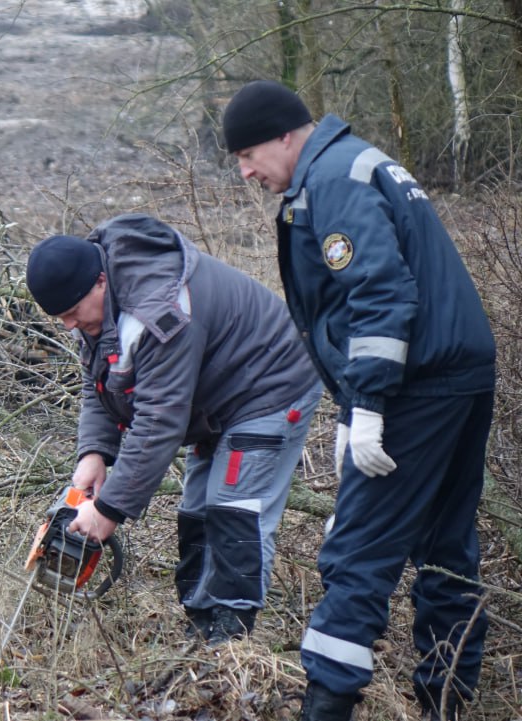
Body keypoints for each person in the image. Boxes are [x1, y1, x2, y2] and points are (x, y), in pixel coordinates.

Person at [221, 80, 496, 721]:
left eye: (247, 156)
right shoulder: (355, 162)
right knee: (447, 551)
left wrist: (369, 403)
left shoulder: (335, 180)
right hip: (458, 373)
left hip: (415, 387)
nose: (245, 172)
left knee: (357, 551)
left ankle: (326, 707)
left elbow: (377, 293)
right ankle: (445, 706)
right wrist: (351, 409)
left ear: (284, 137)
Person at [26, 214, 323, 645]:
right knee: (197, 511)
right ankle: (199, 623)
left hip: (270, 385)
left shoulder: (160, 310)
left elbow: (158, 421)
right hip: (213, 401)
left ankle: (230, 640)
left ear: (100, 282)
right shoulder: (96, 307)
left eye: (72, 314)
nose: (69, 325)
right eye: (61, 318)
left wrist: (108, 510)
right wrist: (94, 453)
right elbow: (101, 379)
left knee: (234, 510)